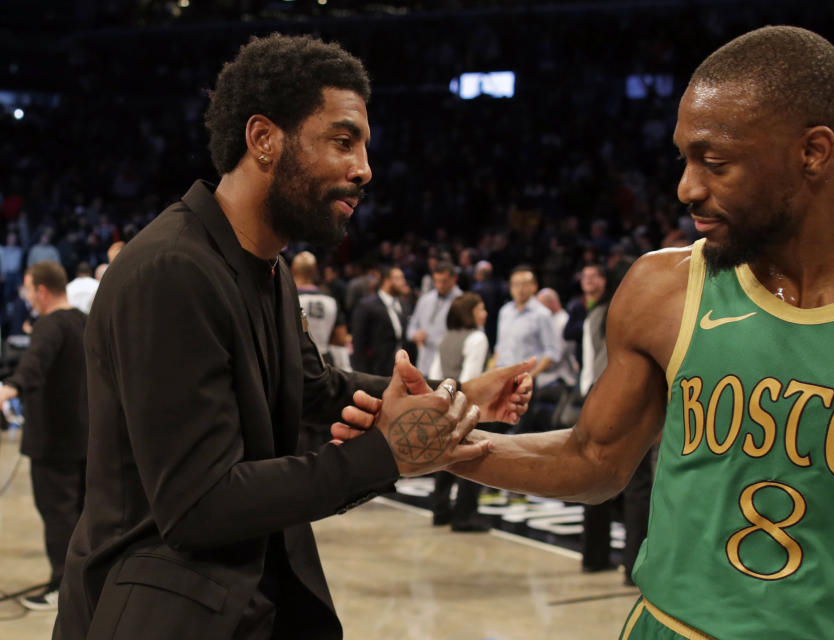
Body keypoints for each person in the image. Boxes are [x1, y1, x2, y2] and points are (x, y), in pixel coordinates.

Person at [341, 26, 834, 639]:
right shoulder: (663, 287)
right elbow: (595, 459)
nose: (687, 188)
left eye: (716, 163)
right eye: (685, 158)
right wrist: (441, 445)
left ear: (814, 152)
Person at [54, 34, 532, 640]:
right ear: (263, 140)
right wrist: (386, 454)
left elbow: (314, 389)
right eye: (342, 140)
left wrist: (452, 394)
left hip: (250, 601)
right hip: (162, 612)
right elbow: (199, 506)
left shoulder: (265, 264)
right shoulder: (170, 270)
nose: (364, 168)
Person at [0, 261, 87, 610]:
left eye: (28, 289)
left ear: (41, 290)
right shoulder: (83, 321)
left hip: (54, 443)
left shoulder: (49, 326)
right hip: (84, 439)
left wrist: (10, 388)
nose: (26, 297)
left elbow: (33, 366)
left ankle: (61, 588)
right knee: (81, 514)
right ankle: (82, 584)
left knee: (58, 516)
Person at [428, 292, 491, 532]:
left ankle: (440, 510)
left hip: (443, 402)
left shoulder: (446, 338)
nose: (484, 314)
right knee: (471, 460)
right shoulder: (477, 338)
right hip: (466, 406)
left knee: (445, 459)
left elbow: (435, 373)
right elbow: (470, 378)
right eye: (481, 309)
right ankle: (464, 515)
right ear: (469, 313)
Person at [351, 265, 409, 376]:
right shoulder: (366, 305)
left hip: (400, 369)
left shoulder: (404, 304)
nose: (403, 282)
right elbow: (358, 342)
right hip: (376, 370)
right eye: (398, 278)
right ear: (387, 281)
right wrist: (362, 374)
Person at [407, 260, 462, 374]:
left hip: (449, 366)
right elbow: (412, 326)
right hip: (424, 364)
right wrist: (415, 334)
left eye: (444, 281)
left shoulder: (462, 301)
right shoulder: (425, 299)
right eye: (436, 281)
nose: (440, 285)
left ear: (454, 278)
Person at [291, 250, 345, 363]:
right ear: (315, 272)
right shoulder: (330, 300)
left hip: (295, 360)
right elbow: (341, 338)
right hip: (324, 361)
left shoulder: (288, 297)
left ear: (292, 270)